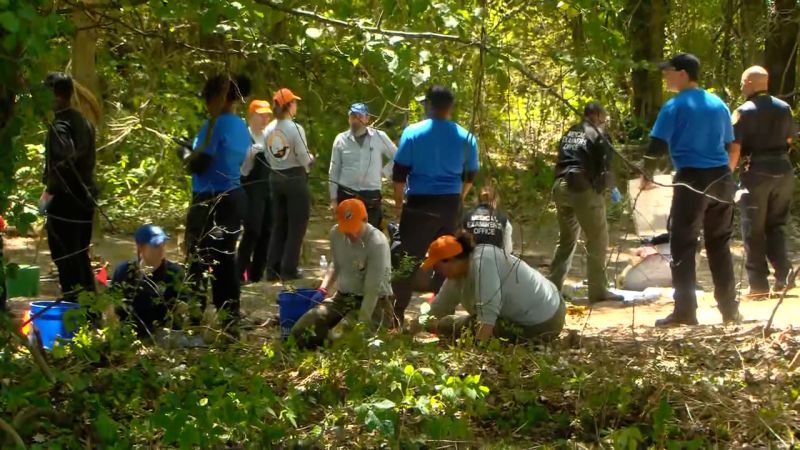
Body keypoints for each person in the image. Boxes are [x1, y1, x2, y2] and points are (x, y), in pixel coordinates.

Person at [641, 53, 741, 326]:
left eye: (668, 71)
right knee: (719, 244)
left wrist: (645, 175)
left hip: (692, 179)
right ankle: (730, 312)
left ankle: (685, 312)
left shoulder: (674, 106)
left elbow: (656, 147)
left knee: (683, 245)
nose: (665, 76)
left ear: (683, 73)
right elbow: (730, 143)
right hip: (722, 178)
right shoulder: (718, 103)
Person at [391, 85, 480, 324]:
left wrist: (399, 204)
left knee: (407, 258)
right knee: (447, 257)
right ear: (450, 108)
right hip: (450, 205)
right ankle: (441, 315)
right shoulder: (466, 137)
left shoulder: (413, 132)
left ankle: (395, 314)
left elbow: (399, 173)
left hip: (419, 203)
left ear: (430, 105)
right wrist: (458, 197)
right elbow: (470, 176)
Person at [177, 74, 251, 329]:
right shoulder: (240, 126)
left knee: (199, 257)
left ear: (217, 99)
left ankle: (196, 315)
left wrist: (184, 152)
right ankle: (230, 318)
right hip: (233, 196)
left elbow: (200, 163)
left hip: (211, 198)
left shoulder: (215, 125)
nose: (207, 105)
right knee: (225, 257)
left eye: (208, 99)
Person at [411, 234, 566, 343]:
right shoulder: (460, 271)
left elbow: (487, 320)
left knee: (455, 326)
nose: (437, 273)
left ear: (451, 260)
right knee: (449, 324)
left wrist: (476, 357)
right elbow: (439, 307)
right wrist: (412, 327)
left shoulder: (483, 263)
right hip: (550, 304)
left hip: (544, 321)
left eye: (438, 268)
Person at [729, 66, 797, 297]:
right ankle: (785, 278)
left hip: (756, 173)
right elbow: (790, 140)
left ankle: (757, 284)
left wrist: (727, 175)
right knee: (777, 226)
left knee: (753, 229)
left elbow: (735, 148)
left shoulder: (742, 112)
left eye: (741, 82)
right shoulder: (785, 108)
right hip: (784, 171)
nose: (740, 87)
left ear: (749, 82)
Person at [290, 199, 393, 348]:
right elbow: (336, 264)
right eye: (346, 228)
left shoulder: (377, 243)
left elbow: (372, 290)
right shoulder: (336, 234)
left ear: (365, 220)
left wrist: (361, 326)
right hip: (343, 298)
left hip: (374, 303)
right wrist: (323, 289)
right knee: (300, 332)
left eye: (355, 228)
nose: (350, 233)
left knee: (339, 343)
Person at [548, 102, 622, 303]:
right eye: (604, 118)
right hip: (582, 189)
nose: (605, 122)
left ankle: (552, 288)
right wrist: (613, 188)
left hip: (560, 186)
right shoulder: (599, 135)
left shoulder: (571, 132)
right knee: (598, 239)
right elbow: (605, 170)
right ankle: (598, 291)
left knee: (567, 239)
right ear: (597, 115)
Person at [41, 72, 98, 302]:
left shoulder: (61, 124)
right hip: (85, 199)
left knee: (66, 258)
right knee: (79, 255)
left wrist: (49, 191)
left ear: (56, 95)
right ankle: (90, 313)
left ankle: (74, 312)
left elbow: (66, 160)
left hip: (67, 202)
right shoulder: (83, 121)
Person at [264, 88, 314, 281]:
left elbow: (267, 155)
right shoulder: (295, 128)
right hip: (294, 178)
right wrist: (310, 160)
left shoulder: (269, 128)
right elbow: (303, 157)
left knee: (279, 224)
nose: (297, 106)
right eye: (294, 103)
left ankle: (272, 267)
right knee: (297, 224)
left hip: (275, 177)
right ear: (289, 105)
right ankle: (289, 268)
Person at [328, 102, 397, 229]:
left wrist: (385, 172)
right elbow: (334, 169)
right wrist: (333, 199)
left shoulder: (379, 137)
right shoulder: (341, 139)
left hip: (371, 195)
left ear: (367, 118)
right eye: (352, 116)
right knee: (347, 232)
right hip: (346, 194)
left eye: (359, 116)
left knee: (370, 234)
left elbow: (397, 156)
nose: (355, 120)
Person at [112, 224, 188, 338]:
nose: (162, 249)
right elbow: (114, 304)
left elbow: (182, 307)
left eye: (163, 244)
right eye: (156, 245)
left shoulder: (175, 273)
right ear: (140, 247)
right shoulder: (124, 271)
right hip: (130, 333)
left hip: (165, 334)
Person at [237, 99, 275, 283]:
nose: (265, 118)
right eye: (261, 115)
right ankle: (238, 272)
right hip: (249, 189)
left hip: (267, 189)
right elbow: (242, 171)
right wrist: (250, 154)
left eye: (267, 115)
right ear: (251, 116)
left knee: (267, 230)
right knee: (252, 231)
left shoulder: (270, 136)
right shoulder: (244, 136)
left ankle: (256, 275)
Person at [462, 185, 513, 253]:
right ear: (495, 200)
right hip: (494, 259)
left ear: (477, 200)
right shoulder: (503, 219)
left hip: (471, 259)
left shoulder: (466, 216)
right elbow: (508, 250)